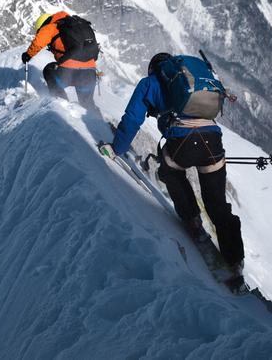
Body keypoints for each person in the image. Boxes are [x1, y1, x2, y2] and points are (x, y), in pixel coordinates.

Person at [99, 52, 246, 288]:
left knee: (169, 171)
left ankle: (192, 221)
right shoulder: (193, 77)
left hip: (182, 142)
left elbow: (132, 119)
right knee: (218, 205)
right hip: (213, 141)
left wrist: (116, 148)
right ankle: (236, 261)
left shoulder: (150, 83)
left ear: (153, 69)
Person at [21, 11, 99, 112]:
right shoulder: (77, 25)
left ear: (42, 25)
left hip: (71, 71)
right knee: (87, 103)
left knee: (49, 70)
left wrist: (28, 55)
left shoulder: (52, 27)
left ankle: (62, 105)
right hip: (90, 71)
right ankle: (101, 124)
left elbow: (38, 42)